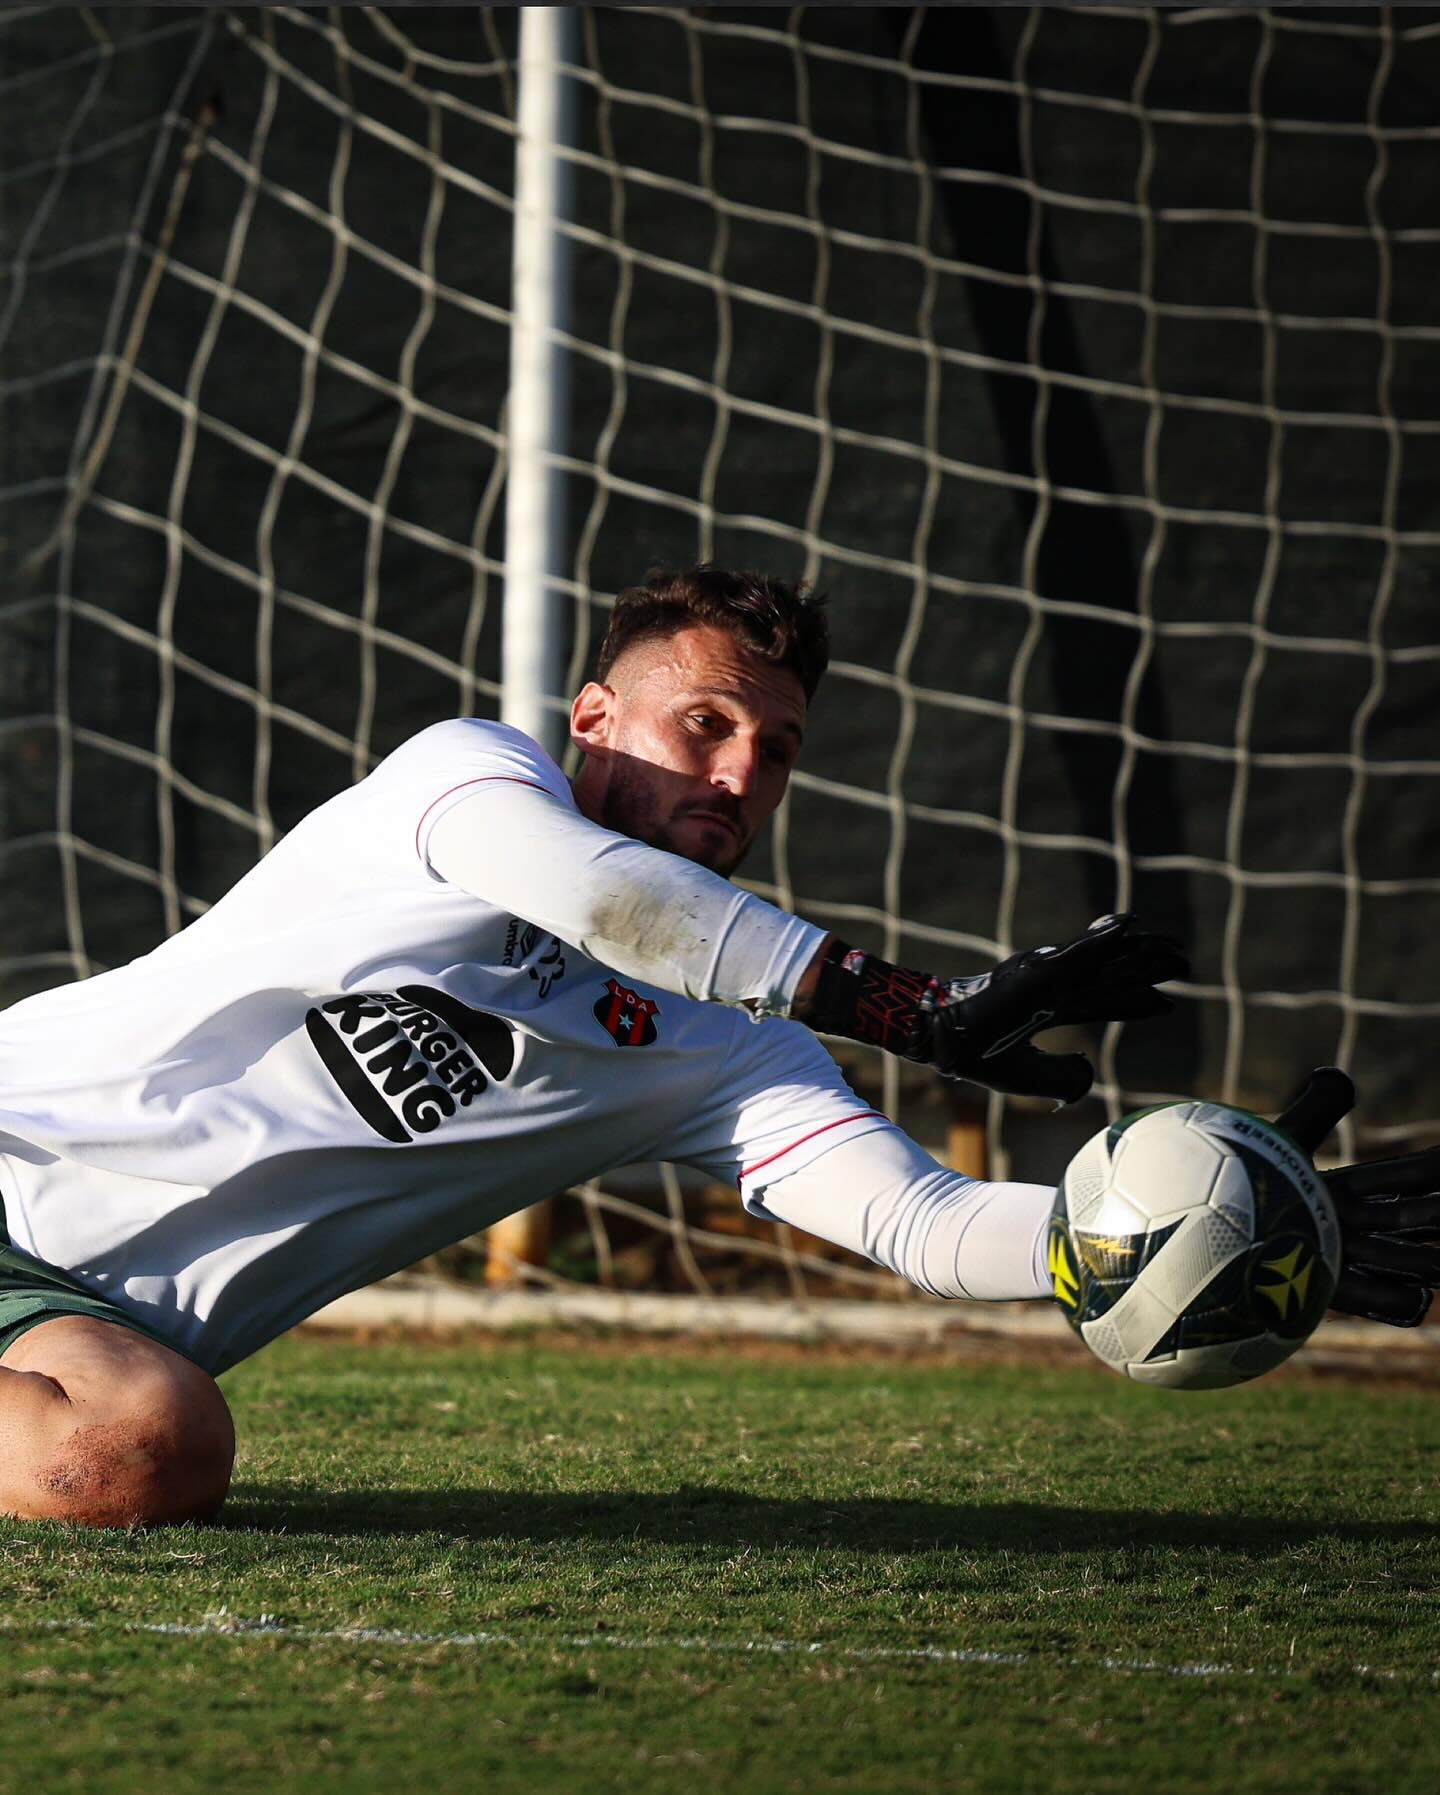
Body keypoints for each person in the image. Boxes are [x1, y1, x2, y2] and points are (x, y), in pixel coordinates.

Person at [0, 567, 1434, 1529]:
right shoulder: (460, 782)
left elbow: (928, 1227)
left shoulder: (724, 1049)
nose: (743, 771)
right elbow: (601, 895)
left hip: (74, 1330)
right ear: (591, 721)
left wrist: (1216, 1236)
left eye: (778, 747)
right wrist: (909, 1005)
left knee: (145, 1454)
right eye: (706, 722)